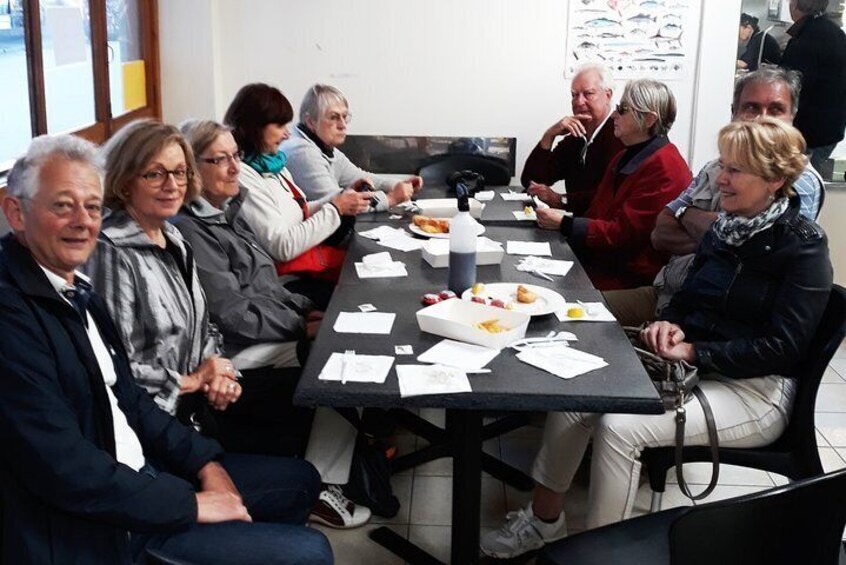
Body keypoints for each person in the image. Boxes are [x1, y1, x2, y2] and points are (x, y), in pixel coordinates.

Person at [482, 118, 833, 559]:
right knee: (578, 394)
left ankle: (598, 554)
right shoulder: (726, 230)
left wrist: (694, 348)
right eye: (723, 164)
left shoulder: (803, 247)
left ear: (776, 179)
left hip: (754, 391)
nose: (720, 178)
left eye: (736, 170)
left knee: (619, 428)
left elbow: (784, 347)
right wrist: (672, 324)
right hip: (692, 369)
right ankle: (543, 522)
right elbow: (687, 298)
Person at [0, 134, 332, 564]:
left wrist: (206, 465)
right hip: (99, 528)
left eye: (92, 206)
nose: (83, 221)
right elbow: (64, 467)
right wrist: (190, 504)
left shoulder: (74, 287)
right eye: (62, 205)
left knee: (301, 481)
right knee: (309, 553)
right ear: (16, 212)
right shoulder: (13, 315)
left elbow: (128, 399)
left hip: (143, 473)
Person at [175, 119, 373, 530]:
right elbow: (233, 313)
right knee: (340, 361)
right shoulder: (192, 230)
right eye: (219, 160)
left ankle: (339, 463)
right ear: (193, 169)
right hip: (235, 348)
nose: (234, 168)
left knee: (348, 339)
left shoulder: (229, 211)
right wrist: (302, 329)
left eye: (234, 156)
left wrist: (306, 310)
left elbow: (266, 284)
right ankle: (322, 487)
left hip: (268, 328)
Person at [605, 66, 825, 326]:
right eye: (751, 108)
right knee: (575, 313)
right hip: (668, 295)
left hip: (712, 318)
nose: (762, 119)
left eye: (776, 109)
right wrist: (703, 222)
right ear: (734, 113)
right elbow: (661, 232)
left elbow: (745, 252)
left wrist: (686, 215)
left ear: (792, 116)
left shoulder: (799, 179)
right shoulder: (715, 166)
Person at [86, 120, 241, 421]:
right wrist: (192, 381)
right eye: (155, 174)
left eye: (180, 172)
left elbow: (204, 325)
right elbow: (116, 363)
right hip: (151, 422)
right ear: (125, 181)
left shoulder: (174, 237)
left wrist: (219, 372)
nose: (172, 185)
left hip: (195, 406)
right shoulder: (111, 250)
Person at [224, 83, 373, 309]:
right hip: (283, 284)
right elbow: (282, 246)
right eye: (280, 125)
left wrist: (338, 199)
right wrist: (335, 209)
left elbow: (300, 210)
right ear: (255, 126)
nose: (286, 133)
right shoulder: (244, 176)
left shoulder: (273, 164)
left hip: (302, 268)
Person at [535, 79, 691, 291]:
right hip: (600, 262)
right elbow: (598, 211)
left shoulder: (666, 168)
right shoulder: (624, 157)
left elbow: (624, 235)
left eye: (623, 110)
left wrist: (565, 224)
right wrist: (562, 211)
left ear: (649, 119)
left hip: (627, 277)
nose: (615, 115)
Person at [281, 83, 423, 210]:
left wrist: (400, 184)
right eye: (333, 117)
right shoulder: (303, 152)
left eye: (345, 116)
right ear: (311, 122)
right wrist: (392, 198)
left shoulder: (323, 145)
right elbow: (340, 206)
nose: (343, 125)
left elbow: (361, 177)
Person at [521, 63, 625, 216]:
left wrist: (561, 200)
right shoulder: (576, 137)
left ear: (607, 95)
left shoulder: (620, 136)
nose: (579, 102)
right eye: (574, 95)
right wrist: (549, 135)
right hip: (574, 225)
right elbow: (532, 181)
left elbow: (609, 196)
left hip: (600, 229)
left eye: (588, 94)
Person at [780, 0, 846, 171]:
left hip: (807, 135)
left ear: (794, 5)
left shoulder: (805, 39)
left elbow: (791, 91)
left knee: (794, 188)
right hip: (830, 131)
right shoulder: (837, 34)